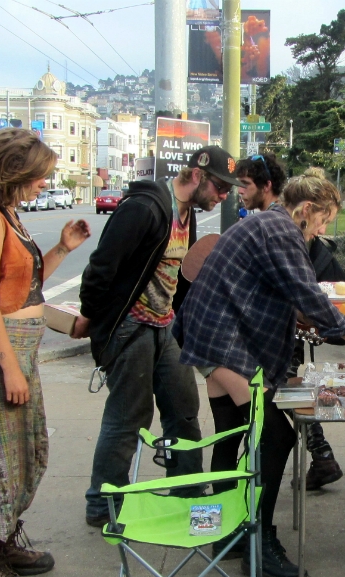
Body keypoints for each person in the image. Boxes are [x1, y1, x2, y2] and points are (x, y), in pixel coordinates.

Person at [173, 171, 345, 577]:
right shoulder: (281, 229)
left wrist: (308, 323)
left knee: (230, 434)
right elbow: (311, 297)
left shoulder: (264, 222)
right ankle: (258, 542)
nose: (322, 231)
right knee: (277, 436)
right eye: (323, 221)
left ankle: (220, 533)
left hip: (209, 333)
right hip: (223, 341)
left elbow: (282, 294)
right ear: (306, 210)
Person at [72, 146, 242, 527]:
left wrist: (189, 321)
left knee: (184, 412)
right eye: (220, 186)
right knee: (129, 417)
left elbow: (179, 277)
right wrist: (93, 320)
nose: (224, 195)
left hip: (165, 325)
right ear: (197, 176)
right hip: (129, 326)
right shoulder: (145, 208)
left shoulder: (187, 214)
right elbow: (100, 267)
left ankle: (186, 494)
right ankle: (103, 503)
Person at [0, 128, 91, 577]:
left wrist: (61, 249)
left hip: (19, 351)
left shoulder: (8, 215)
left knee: (25, 454)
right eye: (40, 175)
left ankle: (4, 539)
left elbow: (25, 286)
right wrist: (9, 368)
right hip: (0, 355)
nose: (45, 183)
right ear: (15, 171)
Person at [236, 156, 345, 489]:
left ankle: (253, 489)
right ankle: (321, 454)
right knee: (282, 397)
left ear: (267, 186)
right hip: (273, 331)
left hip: (267, 336)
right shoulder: (277, 224)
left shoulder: (282, 227)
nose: (239, 192)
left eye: (245, 185)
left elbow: (303, 291)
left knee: (272, 405)